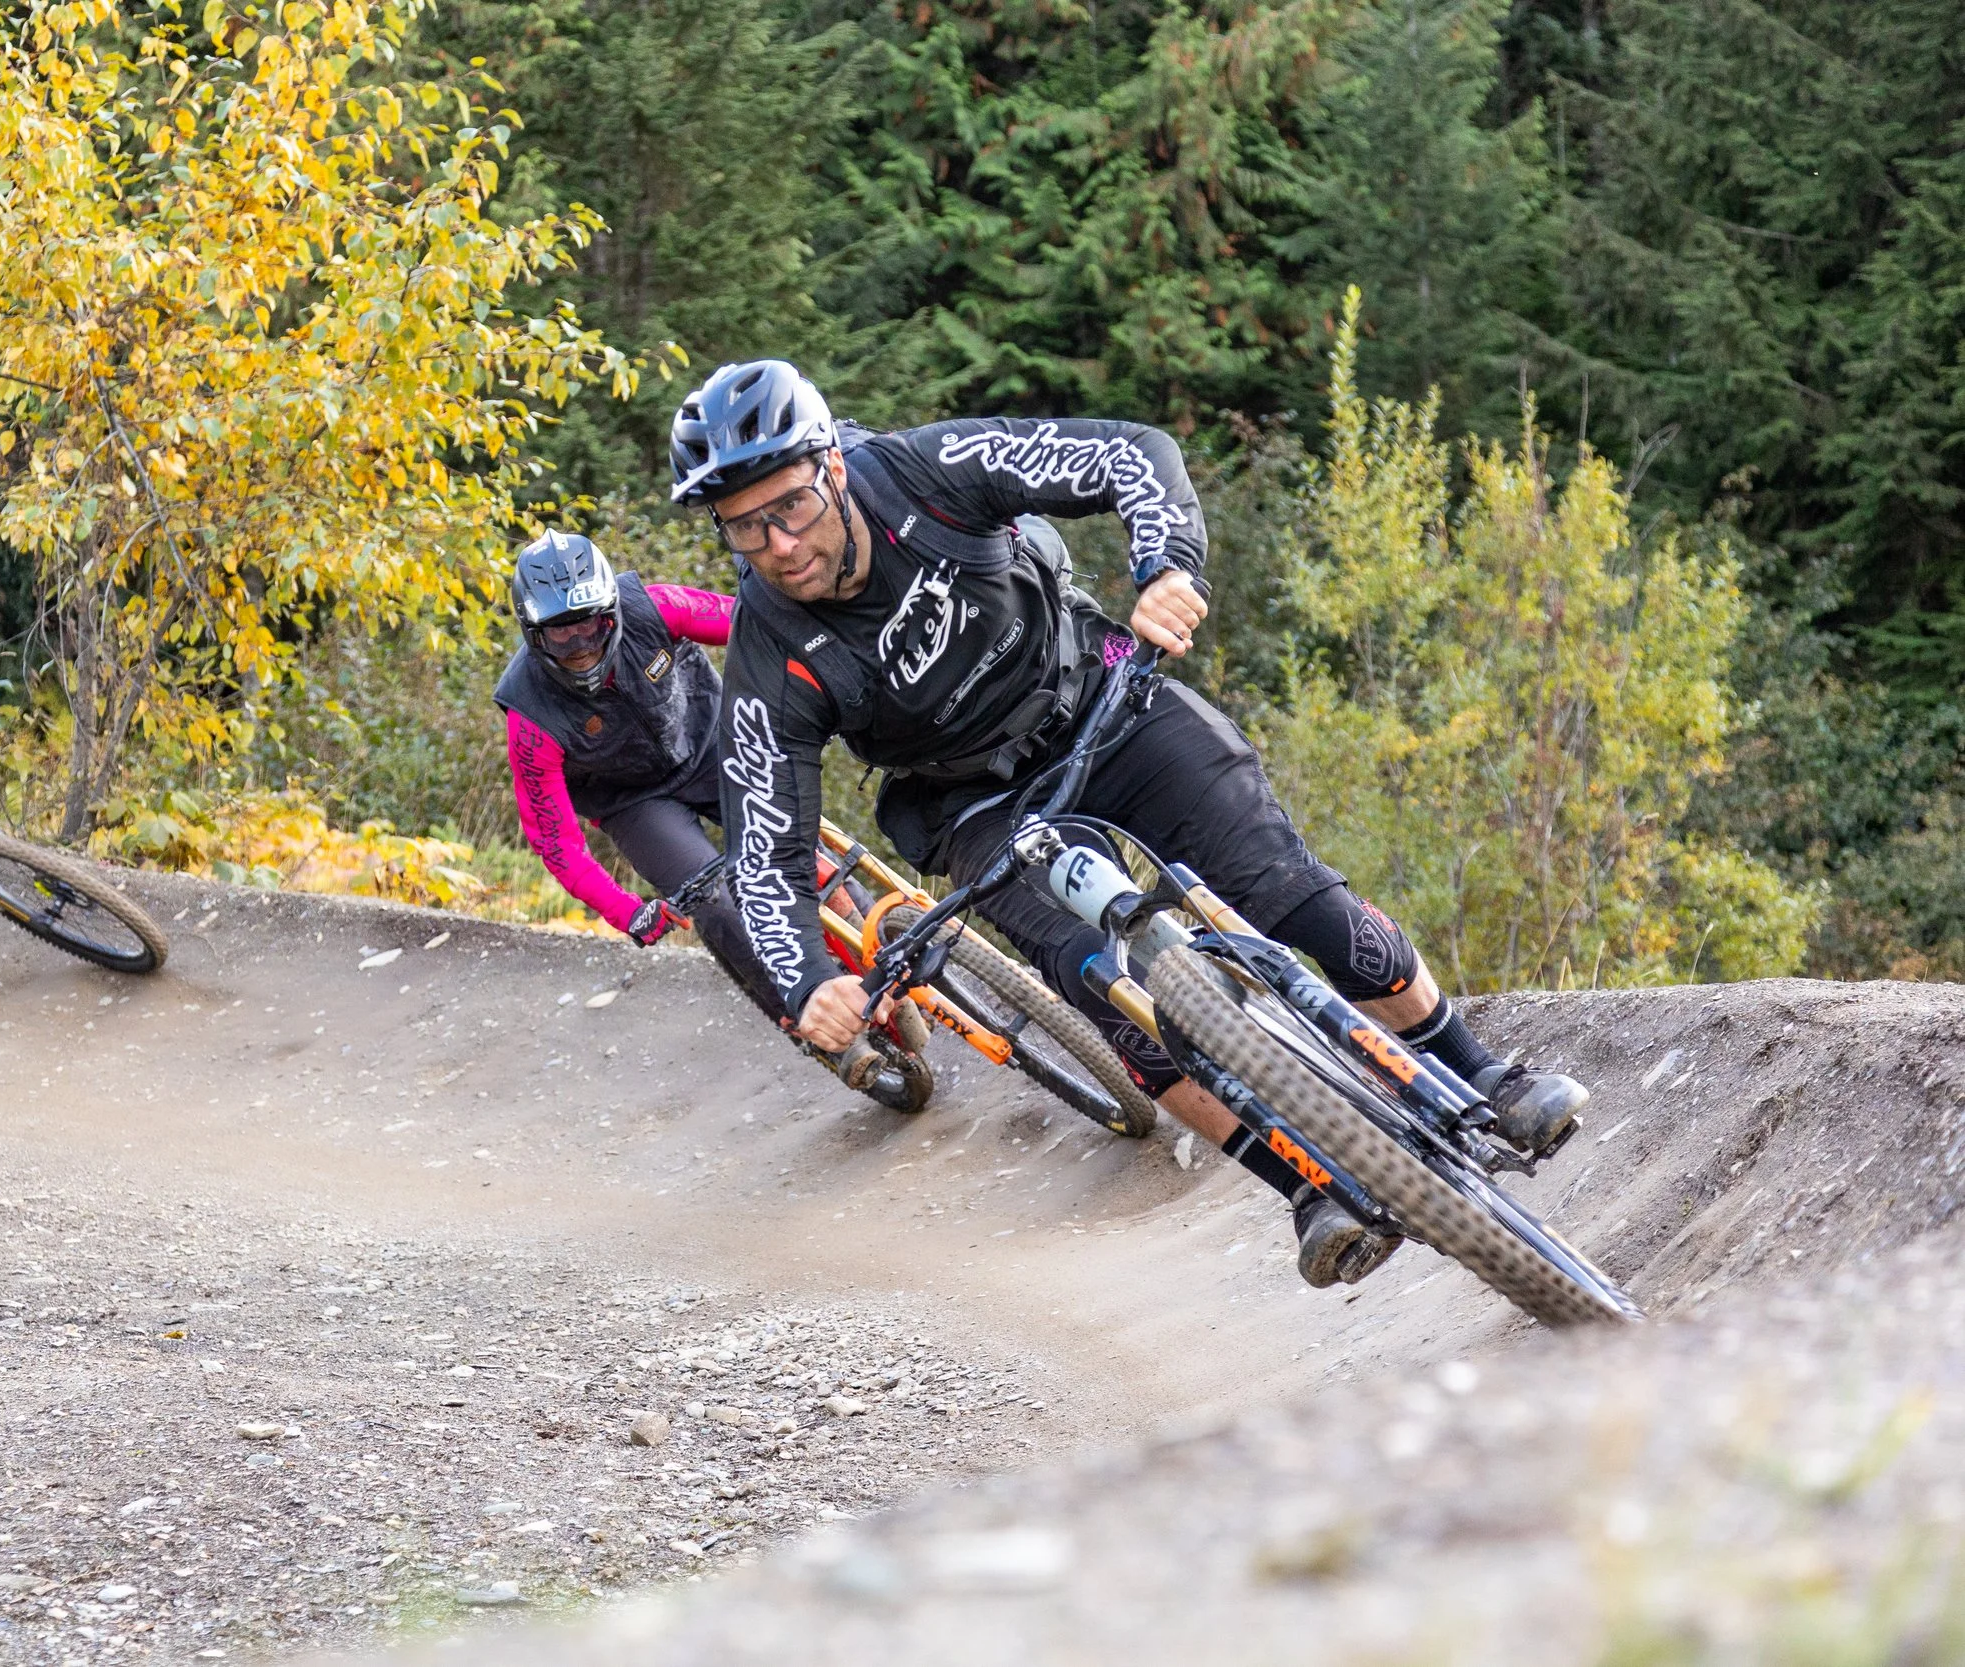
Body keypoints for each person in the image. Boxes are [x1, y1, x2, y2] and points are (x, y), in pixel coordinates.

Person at [673, 360, 1589, 1289]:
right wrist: (809, 984)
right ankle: (1307, 1187)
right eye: (744, 527)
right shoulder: (770, 650)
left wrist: (1167, 568)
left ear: (830, 465)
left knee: (1292, 898)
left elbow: (1129, 454)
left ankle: (1484, 1078)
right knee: (1111, 992)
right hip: (982, 808)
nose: (778, 543)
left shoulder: (925, 471)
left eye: (788, 505)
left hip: (1107, 704)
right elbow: (766, 852)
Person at [494, 528, 927, 1101]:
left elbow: (758, 625)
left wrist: (832, 679)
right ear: (532, 632)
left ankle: (882, 949)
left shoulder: (655, 608)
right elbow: (556, 843)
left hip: (709, 746)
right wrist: (627, 913)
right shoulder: (530, 713)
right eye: (559, 632)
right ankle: (818, 1029)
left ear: (612, 611)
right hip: (634, 803)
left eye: (591, 624)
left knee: (794, 843)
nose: (579, 645)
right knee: (714, 899)